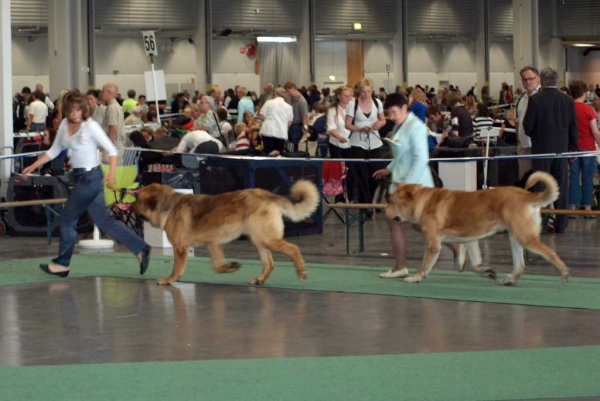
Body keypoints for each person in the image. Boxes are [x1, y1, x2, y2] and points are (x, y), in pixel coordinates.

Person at [21, 91, 150, 277]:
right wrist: (32, 165)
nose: (74, 113)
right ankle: (140, 248)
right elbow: (54, 150)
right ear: (66, 110)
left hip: (91, 178)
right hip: (81, 177)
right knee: (103, 219)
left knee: (67, 219)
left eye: (78, 109)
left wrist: (112, 173)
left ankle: (62, 264)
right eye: (71, 109)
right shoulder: (64, 124)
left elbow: (112, 150)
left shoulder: (91, 126)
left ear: (83, 109)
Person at [372, 93, 433, 278]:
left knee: (426, 226)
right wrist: (388, 169)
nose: (391, 117)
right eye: (388, 113)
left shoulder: (416, 127)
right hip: (404, 186)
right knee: (401, 222)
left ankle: (458, 246)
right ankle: (400, 266)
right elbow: (402, 155)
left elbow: (421, 158)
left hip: (416, 188)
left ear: (405, 107)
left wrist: (409, 184)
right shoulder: (400, 125)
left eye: (393, 112)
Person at [523, 67, 578, 233]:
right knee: (561, 186)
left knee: (541, 186)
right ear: (556, 80)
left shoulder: (536, 100)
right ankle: (561, 222)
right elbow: (573, 127)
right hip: (561, 151)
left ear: (541, 81)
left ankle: (542, 222)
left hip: (542, 150)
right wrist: (573, 149)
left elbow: (527, 127)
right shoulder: (568, 100)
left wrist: (536, 135)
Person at [345, 77, 386, 210]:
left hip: (375, 143)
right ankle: (367, 204)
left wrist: (379, 123)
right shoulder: (353, 105)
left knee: (375, 174)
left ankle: (370, 200)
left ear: (372, 91)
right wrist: (360, 128)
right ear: (359, 91)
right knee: (361, 175)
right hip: (358, 143)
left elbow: (383, 120)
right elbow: (347, 125)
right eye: (363, 92)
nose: (366, 95)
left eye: (368, 91)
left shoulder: (378, 102)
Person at [567, 81, 600, 215]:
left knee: (574, 177)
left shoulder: (568, 108)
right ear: (583, 93)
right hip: (588, 148)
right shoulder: (588, 109)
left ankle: (572, 208)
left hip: (572, 148)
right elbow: (595, 131)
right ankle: (587, 208)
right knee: (587, 177)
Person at [515, 66, 541, 179]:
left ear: (538, 78)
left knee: (539, 179)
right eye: (525, 79)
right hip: (524, 147)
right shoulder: (521, 98)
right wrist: (519, 141)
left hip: (539, 147)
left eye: (531, 78)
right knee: (524, 179)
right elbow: (517, 121)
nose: (528, 82)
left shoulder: (543, 96)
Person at [258, 86, 293, 155]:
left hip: (268, 132)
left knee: (268, 153)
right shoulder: (289, 107)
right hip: (281, 133)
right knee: (278, 154)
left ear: (275, 94)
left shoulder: (269, 102)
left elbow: (261, 116)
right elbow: (289, 123)